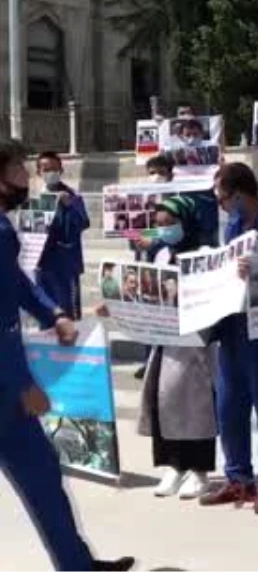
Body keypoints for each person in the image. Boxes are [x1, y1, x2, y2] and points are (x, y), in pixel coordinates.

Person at [0, 140, 136, 572]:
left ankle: (77, 566)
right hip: (6, 392)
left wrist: (54, 312)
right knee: (41, 479)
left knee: (44, 481)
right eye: (19, 167)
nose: (28, 175)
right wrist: (24, 386)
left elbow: (17, 283)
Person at [108, 197, 218, 502]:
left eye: (170, 224)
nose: (164, 230)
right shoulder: (162, 254)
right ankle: (172, 464)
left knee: (195, 406)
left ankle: (198, 470)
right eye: (159, 225)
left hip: (194, 342)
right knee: (164, 400)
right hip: (163, 340)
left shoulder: (205, 255)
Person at [201, 163, 258, 514]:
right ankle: (238, 479)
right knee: (229, 406)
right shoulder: (232, 228)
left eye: (222, 198)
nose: (221, 205)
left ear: (238, 195)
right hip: (231, 328)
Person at [34, 151, 89, 319]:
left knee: (69, 314)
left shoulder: (73, 196)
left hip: (66, 266)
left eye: (54, 169)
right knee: (46, 314)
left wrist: (69, 205)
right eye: (46, 169)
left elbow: (83, 223)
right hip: (42, 266)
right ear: (39, 172)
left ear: (61, 170)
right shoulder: (34, 198)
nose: (51, 173)